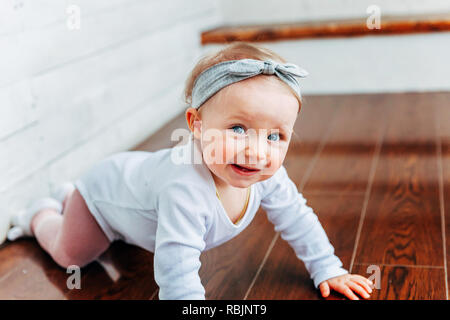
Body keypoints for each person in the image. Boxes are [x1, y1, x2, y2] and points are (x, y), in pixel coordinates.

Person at [7, 42, 373, 300]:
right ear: (196, 125)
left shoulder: (265, 172)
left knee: (122, 241)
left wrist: (329, 268)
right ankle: (40, 213)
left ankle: (67, 198)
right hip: (101, 197)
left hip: (134, 186)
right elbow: (177, 269)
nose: (256, 150)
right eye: (238, 129)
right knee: (74, 256)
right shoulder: (185, 187)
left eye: (275, 135)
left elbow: (297, 217)